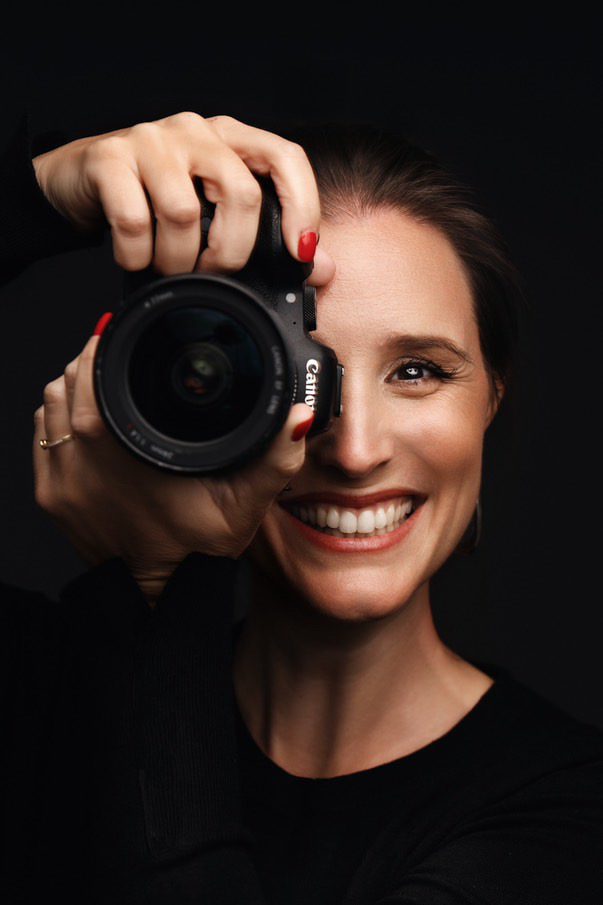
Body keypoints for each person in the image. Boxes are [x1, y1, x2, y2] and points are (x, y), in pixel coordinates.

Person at [2, 110, 602, 904]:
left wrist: (160, 582)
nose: (353, 452)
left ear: (491, 397)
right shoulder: (38, 692)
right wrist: (38, 195)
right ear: (163, 389)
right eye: (292, 369)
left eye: (417, 370)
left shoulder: (568, 812)